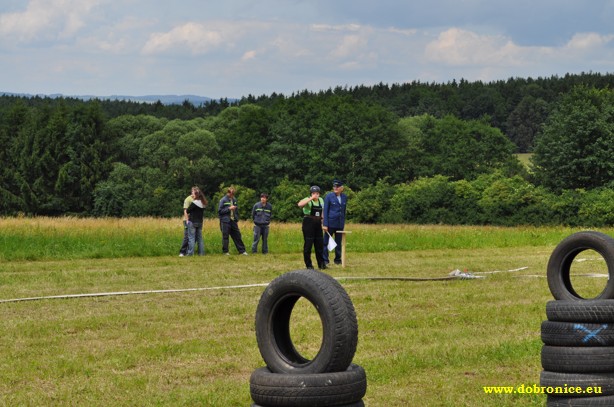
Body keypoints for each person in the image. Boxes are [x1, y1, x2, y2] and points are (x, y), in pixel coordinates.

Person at [298, 185, 326, 270]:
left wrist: (323, 222)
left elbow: (322, 212)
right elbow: (300, 204)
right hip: (308, 222)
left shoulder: (321, 200)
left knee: (319, 244)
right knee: (308, 244)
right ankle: (309, 265)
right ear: (311, 194)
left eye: (317, 193)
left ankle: (321, 264)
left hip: (318, 223)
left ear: (319, 194)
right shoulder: (307, 200)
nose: (315, 195)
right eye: (313, 193)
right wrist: (311, 198)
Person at [323, 179, 348, 266]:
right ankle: (325, 260)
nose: (335, 188)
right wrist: (325, 224)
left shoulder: (344, 197)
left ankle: (337, 259)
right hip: (330, 223)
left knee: (338, 243)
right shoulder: (329, 196)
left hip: (339, 224)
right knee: (325, 243)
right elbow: (325, 211)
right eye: (334, 186)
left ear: (342, 188)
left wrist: (343, 224)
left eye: (337, 187)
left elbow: (343, 211)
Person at [218, 187, 248, 255]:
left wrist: (237, 218)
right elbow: (220, 211)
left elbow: (236, 210)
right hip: (225, 221)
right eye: (231, 194)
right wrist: (229, 208)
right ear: (228, 193)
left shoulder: (234, 199)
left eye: (233, 194)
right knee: (225, 236)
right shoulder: (223, 200)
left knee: (237, 235)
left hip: (233, 220)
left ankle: (242, 251)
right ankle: (225, 251)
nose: (232, 195)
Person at [186, 187, 207, 256]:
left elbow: (187, 210)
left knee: (191, 238)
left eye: (194, 194)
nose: (193, 195)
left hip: (193, 221)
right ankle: (201, 253)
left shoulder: (194, 203)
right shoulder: (203, 203)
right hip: (200, 222)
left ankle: (190, 253)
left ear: (196, 195)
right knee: (200, 239)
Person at [178, 188, 195, 256]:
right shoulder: (188, 199)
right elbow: (185, 210)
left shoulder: (196, 199)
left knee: (192, 237)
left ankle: (189, 251)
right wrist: (187, 220)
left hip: (194, 220)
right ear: (192, 192)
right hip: (188, 220)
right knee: (187, 236)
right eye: (194, 191)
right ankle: (182, 252)